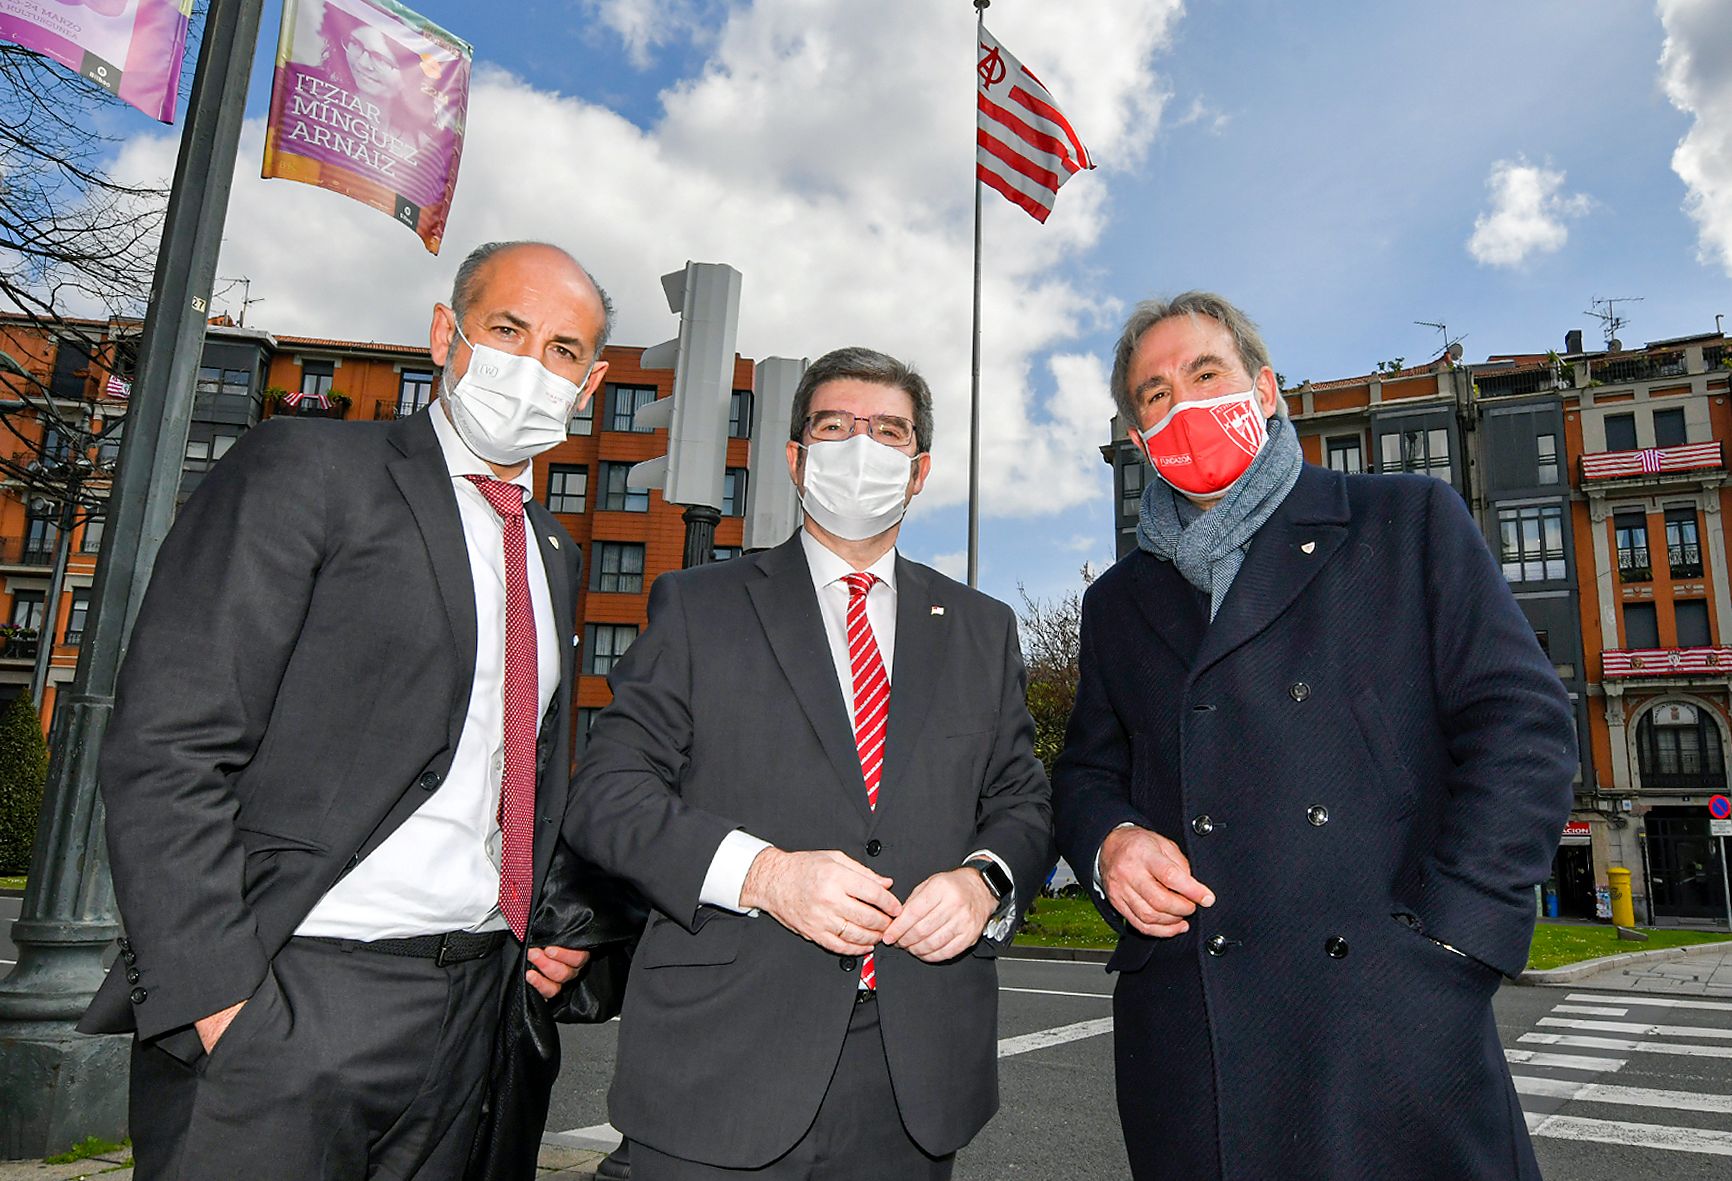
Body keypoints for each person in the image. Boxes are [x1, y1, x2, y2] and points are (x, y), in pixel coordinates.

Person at [80, 241, 616, 1179]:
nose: (532, 366)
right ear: (447, 333)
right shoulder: (310, 466)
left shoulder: (553, 550)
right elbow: (170, 738)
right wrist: (217, 999)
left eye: (564, 351)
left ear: (591, 381)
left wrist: (561, 927)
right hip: (293, 996)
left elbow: (517, 767)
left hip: (477, 1014)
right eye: (508, 329)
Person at [1052, 292, 1576, 1180]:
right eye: (1154, 393)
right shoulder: (1118, 603)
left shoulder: (1405, 520)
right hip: (1193, 1038)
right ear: (1138, 437)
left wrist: (1457, 942)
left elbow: (1521, 725)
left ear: (1265, 391)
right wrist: (1110, 841)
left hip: (1387, 1018)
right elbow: (1085, 772)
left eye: (1204, 374)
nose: (1182, 401)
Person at [566, 347, 1054, 1180]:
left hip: (911, 1086)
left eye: (888, 430)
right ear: (795, 458)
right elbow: (606, 796)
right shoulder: (699, 606)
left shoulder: (981, 627)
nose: (862, 446)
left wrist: (986, 880)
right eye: (836, 426)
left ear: (919, 468)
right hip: (720, 1070)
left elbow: (1023, 800)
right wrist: (763, 875)